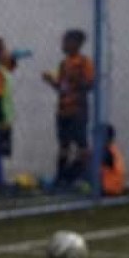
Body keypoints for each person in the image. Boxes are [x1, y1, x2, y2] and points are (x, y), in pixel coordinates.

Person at [42, 28, 95, 187]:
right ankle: (61, 178)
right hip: (62, 110)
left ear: (77, 44)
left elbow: (90, 84)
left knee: (81, 146)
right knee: (63, 145)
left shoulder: (84, 63)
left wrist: (75, 81)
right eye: (63, 41)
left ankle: (82, 177)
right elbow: (62, 88)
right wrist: (51, 81)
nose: (63, 45)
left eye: (67, 41)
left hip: (78, 109)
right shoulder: (63, 64)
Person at [0, 37, 31, 190]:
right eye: (5, 49)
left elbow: (11, 66)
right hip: (0, 120)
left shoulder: (3, 70)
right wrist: (2, 118)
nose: (8, 51)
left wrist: (16, 57)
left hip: (6, 119)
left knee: (0, 150)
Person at [100, 123, 126, 196]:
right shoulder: (113, 149)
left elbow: (95, 167)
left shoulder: (107, 152)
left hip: (109, 188)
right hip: (115, 187)